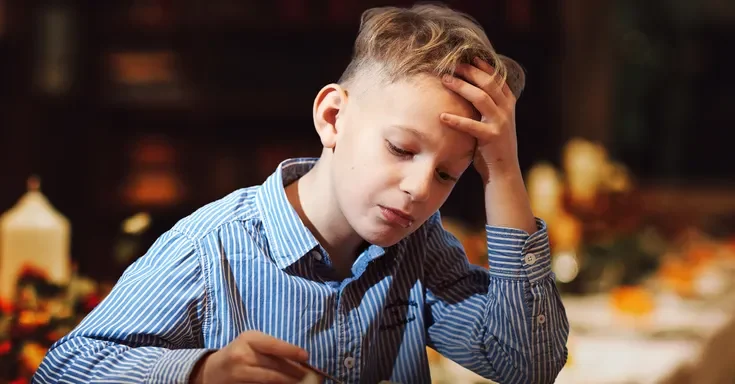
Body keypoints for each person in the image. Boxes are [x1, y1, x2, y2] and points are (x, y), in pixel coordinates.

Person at [33, 3, 569, 384]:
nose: (418, 189)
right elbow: (62, 369)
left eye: (448, 175)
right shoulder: (209, 249)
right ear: (333, 117)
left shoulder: (421, 249)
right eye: (402, 150)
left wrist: (503, 173)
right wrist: (200, 372)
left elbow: (526, 364)